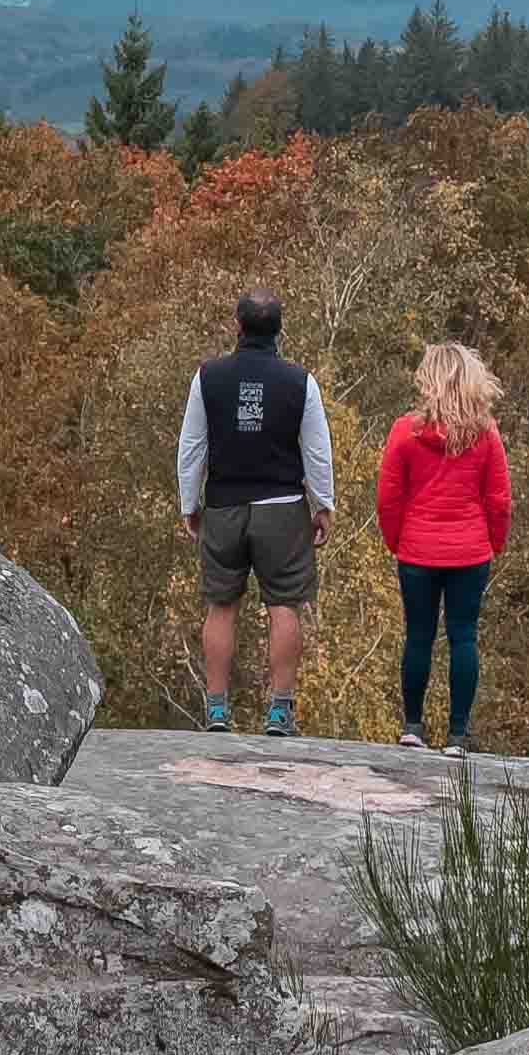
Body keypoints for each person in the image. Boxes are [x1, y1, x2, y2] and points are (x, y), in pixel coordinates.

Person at [176, 288, 333, 735]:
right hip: (282, 509)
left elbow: (192, 448)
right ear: (279, 329)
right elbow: (317, 451)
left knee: (221, 607)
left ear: (237, 326)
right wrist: (323, 504)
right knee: (284, 606)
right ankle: (280, 712)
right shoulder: (300, 382)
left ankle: (217, 710)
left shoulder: (208, 378)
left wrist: (190, 503)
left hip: (224, 505)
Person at [374, 340, 511, 752]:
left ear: (428, 380)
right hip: (470, 551)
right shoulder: (485, 433)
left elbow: (388, 497)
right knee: (463, 636)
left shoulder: (405, 431)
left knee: (418, 636)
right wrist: (494, 542)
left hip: (417, 550)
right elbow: (499, 499)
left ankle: (413, 726)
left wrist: (397, 540)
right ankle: (457, 733)